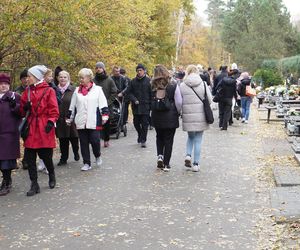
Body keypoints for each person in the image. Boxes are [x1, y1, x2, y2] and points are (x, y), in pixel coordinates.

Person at [20, 65, 59, 196]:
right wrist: (24, 107)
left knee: (46, 156)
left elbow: (54, 110)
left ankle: (52, 175)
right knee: (30, 158)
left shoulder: (49, 91)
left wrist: (50, 122)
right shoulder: (27, 91)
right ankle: (34, 184)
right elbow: (21, 111)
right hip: (31, 127)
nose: (27, 79)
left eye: (29, 76)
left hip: (44, 127)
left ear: (36, 77)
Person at [68, 68, 109, 171]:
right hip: (81, 120)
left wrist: (105, 116)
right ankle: (86, 163)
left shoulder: (97, 89)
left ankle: (97, 155)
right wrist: (69, 118)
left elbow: (103, 103)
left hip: (94, 120)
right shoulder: (77, 91)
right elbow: (72, 106)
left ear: (89, 78)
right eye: (79, 78)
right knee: (83, 142)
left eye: (82, 77)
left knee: (95, 140)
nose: (80, 80)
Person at [180, 65, 212, 172]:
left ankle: (188, 155)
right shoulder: (203, 84)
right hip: (201, 115)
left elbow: (179, 101)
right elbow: (210, 100)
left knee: (190, 137)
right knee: (198, 140)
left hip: (188, 115)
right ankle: (196, 164)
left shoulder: (183, 85)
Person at [151, 65, 182, 172]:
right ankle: (166, 164)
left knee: (159, 136)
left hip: (157, 115)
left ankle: (160, 156)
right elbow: (179, 101)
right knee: (169, 140)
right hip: (170, 115)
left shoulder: (152, 85)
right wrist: (177, 112)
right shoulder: (173, 84)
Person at [0, 73, 21, 196]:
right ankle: (6, 180)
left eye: (5, 84)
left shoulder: (15, 96)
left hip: (9, 133)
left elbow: (22, 112)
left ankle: (6, 182)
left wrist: (15, 106)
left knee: (6, 159)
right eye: (1, 84)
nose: (3, 86)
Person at [55, 70, 79, 166]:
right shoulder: (54, 90)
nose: (62, 79)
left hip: (72, 118)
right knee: (63, 140)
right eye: (61, 77)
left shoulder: (74, 89)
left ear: (68, 78)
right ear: (58, 78)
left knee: (74, 138)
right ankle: (63, 158)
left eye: (65, 77)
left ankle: (76, 152)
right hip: (60, 119)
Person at [126, 64, 151, 148]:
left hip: (146, 106)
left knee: (145, 124)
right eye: (138, 70)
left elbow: (152, 94)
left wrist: (151, 105)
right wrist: (134, 99)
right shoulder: (133, 81)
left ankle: (143, 140)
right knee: (136, 123)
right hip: (136, 106)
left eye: (141, 70)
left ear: (144, 71)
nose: (139, 72)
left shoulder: (149, 81)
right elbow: (129, 92)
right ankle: (140, 134)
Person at [94, 62, 117, 147]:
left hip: (107, 105)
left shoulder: (109, 80)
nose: (98, 69)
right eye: (97, 68)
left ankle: (106, 140)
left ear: (103, 69)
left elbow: (114, 92)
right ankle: (97, 139)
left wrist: (107, 102)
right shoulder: (93, 80)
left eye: (100, 67)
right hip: (96, 105)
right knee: (97, 123)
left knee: (106, 123)